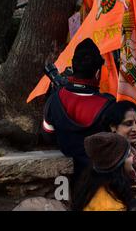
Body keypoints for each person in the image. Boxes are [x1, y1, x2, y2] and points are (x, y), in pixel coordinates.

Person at [43, 38, 115, 179]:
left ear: (73, 68)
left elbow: (48, 135)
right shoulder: (109, 104)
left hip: (64, 181)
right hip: (99, 179)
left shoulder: (55, 99)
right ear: (97, 73)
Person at [72, 132, 134, 211]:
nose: (133, 156)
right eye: (128, 155)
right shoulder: (109, 206)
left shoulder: (95, 185)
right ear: (117, 164)